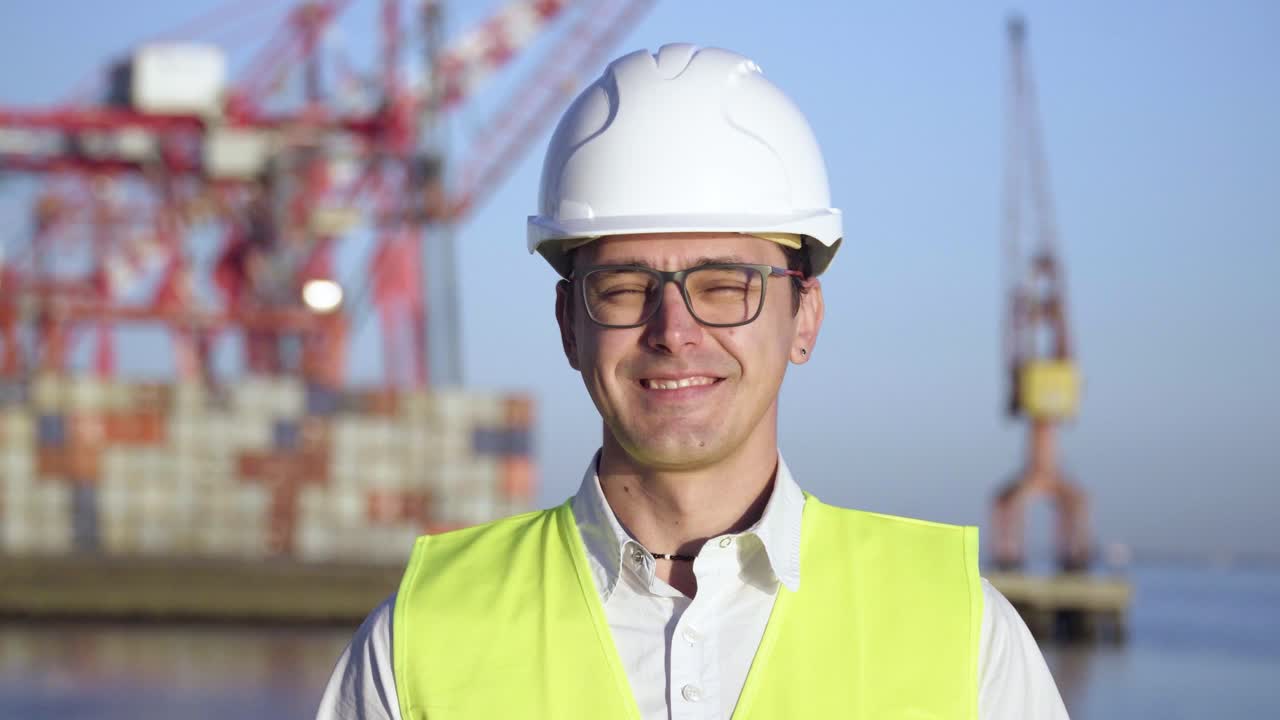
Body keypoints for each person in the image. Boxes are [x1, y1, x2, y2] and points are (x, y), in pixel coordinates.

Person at [317, 43, 1069, 720]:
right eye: (622, 286)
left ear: (804, 317)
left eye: (723, 285)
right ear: (568, 325)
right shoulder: (419, 640)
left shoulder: (960, 635)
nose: (673, 330)